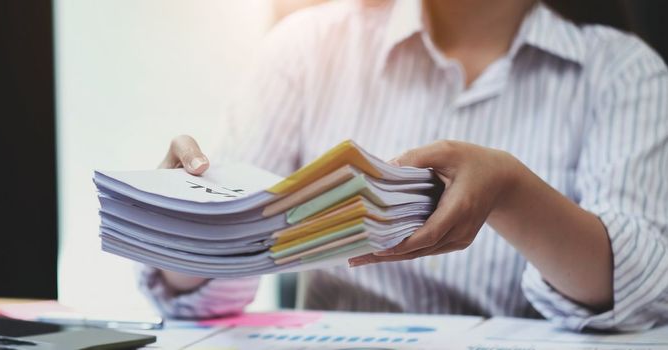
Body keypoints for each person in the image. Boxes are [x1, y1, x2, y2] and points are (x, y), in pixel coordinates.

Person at [140, 0, 668, 331]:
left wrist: (512, 191)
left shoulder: (623, 72)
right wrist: (186, 221)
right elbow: (210, 291)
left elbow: (636, 291)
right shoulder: (305, 48)